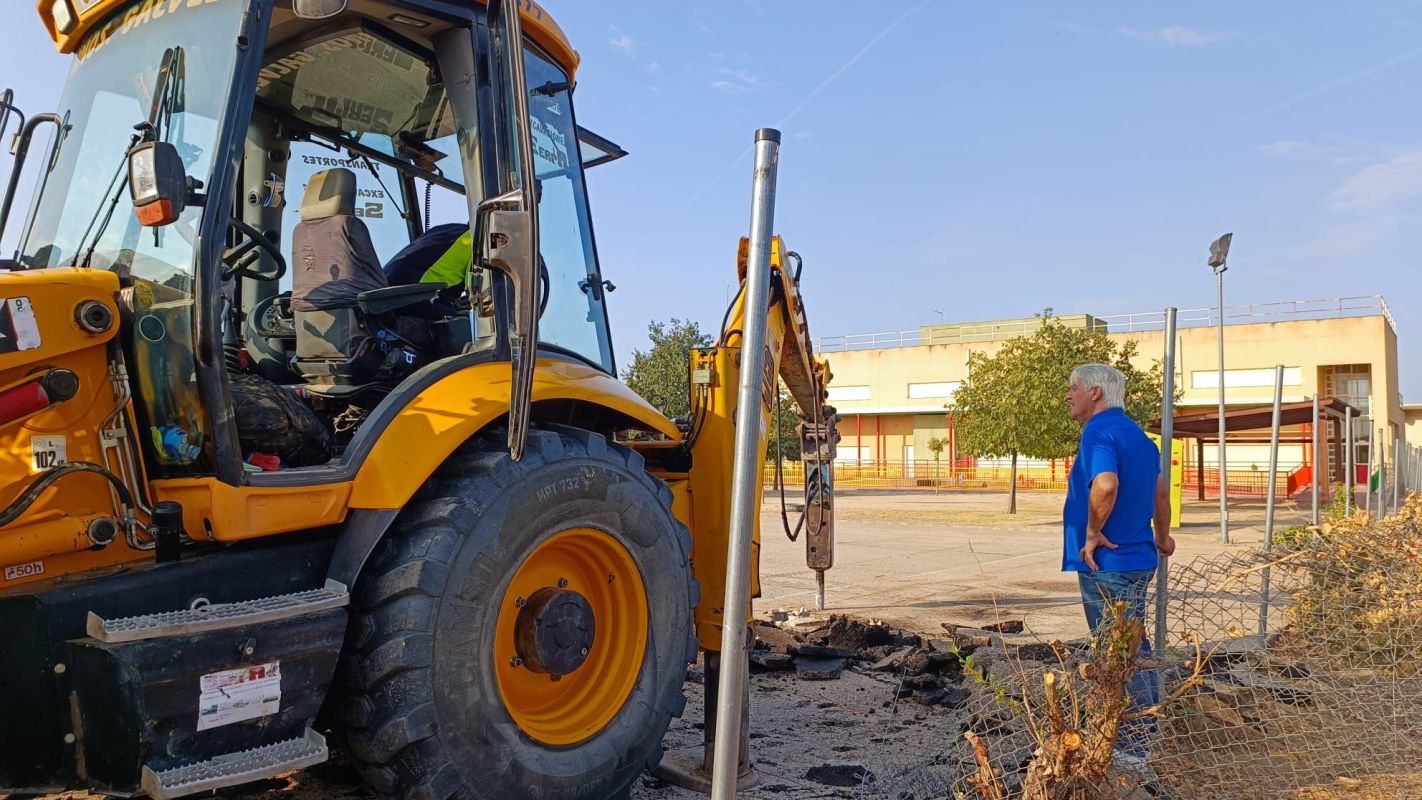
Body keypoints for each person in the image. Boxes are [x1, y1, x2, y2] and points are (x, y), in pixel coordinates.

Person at [1062, 363, 1175, 772]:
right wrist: (1162, 537)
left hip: (1107, 563)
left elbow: (1105, 485)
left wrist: (1092, 532)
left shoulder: (1099, 431)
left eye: (1073, 389)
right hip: (1139, 559)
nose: (1068, 396)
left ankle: (1131, 747)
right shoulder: (1142, 439)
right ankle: (1132, 738)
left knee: (1120, 654)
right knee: (1133, 651)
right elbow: (1160, 494)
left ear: (1095, 392)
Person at [381, 223, 472, 318]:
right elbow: (477, 290)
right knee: (471, 323)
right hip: (414, 297)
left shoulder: (445, 229)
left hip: (384, 295)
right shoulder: (475, 241)